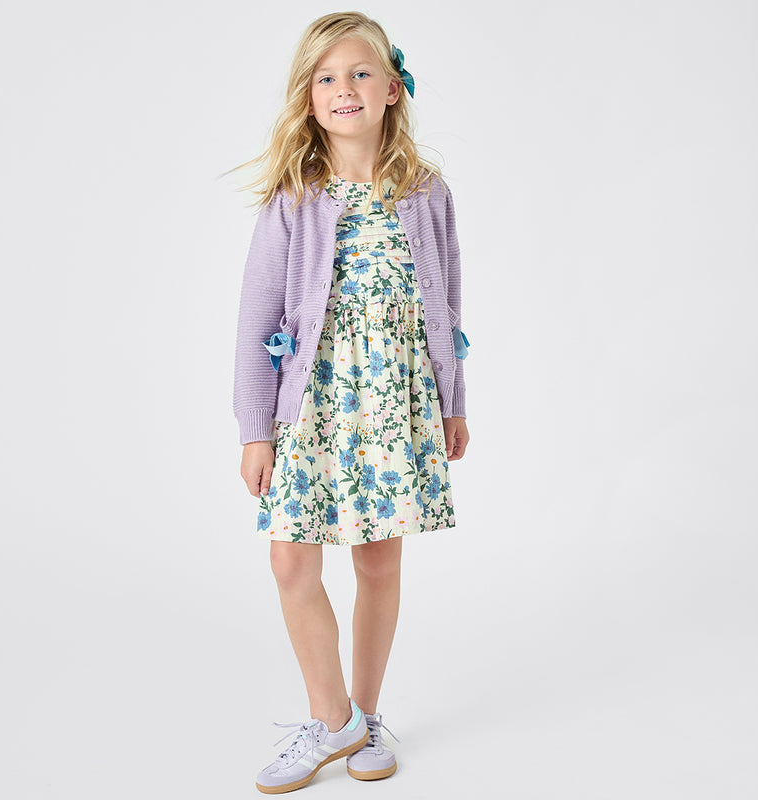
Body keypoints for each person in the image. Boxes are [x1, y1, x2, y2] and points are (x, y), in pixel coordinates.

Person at [228, 11, 471, 795]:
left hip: (395, 406)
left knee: (377, 559)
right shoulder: (294, 201)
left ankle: (366, 715)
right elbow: (257, 319)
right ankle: (332, 719)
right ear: (308, 98)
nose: (345, 88)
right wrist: (256, 430)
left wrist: (453, 403)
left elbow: (447, 307)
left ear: (392, 88)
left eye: (361, 73)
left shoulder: (427, 195)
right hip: (312, 408)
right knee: (290, 559)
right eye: (327, 77)